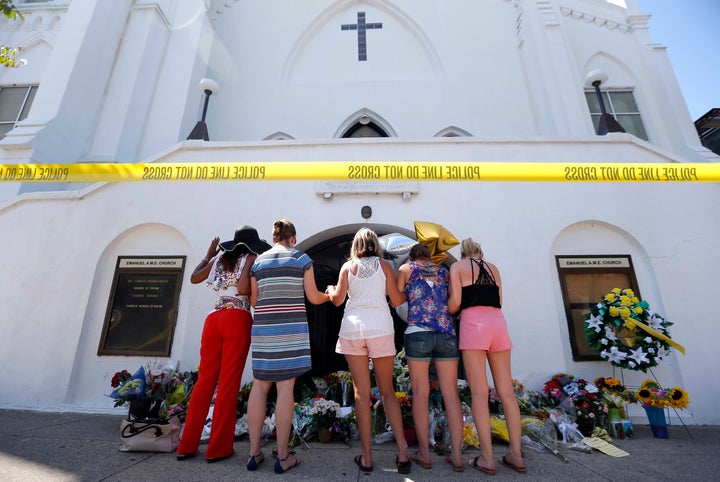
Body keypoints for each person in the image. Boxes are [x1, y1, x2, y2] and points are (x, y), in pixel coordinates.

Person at [176, 226, 270, 463]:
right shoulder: (250, 258)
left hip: (213, 318)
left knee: (204, 382)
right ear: (252, 245)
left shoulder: (219, 258)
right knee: (228, 383)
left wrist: (208, 254)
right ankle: (217, 448)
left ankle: (186, 445)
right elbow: (243, 289)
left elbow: (194, 277)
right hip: (236, 316)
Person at [246, 219, 331, 474]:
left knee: (259, 387)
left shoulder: (258, 262)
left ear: (273, 238)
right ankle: (283, 456)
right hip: (290, 332)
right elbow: (313, 297)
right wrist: (330, 293)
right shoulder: (301, 259)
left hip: (263, 331)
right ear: (292, 238)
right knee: (285, 389)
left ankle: (253, 453)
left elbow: (254, 301)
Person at [326, 228, 411, 475]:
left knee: (361, 394)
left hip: (353, 329)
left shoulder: (347, 267)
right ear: (375, 244)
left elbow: (338, 300)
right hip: (380, 327)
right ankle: (403, 454)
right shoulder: (385, 266)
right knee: (387, 391)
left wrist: (331, 289)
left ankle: (366, 457)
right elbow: (396, 300)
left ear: (356, 246)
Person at [447, 237, 527, 475]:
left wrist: (446, 308)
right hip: (498, 325)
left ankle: (487, 458)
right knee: (507, 393)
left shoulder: (457, 267)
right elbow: (499, 301)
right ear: (480, 252)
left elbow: (455, 304)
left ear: (463, 253)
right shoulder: (494, 268)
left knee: (479, 393)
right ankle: (516, 455)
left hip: (474, 326)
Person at [396, 243, 464, 472]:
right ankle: (456, 456)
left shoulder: (406, 270)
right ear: (429, 256)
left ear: (412, 256)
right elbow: (453, 302)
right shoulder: (444, 271)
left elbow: (396, 298)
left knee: (420, 394)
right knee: (451, 395)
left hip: (418, 333)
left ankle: (424, 453)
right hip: (446, 333)